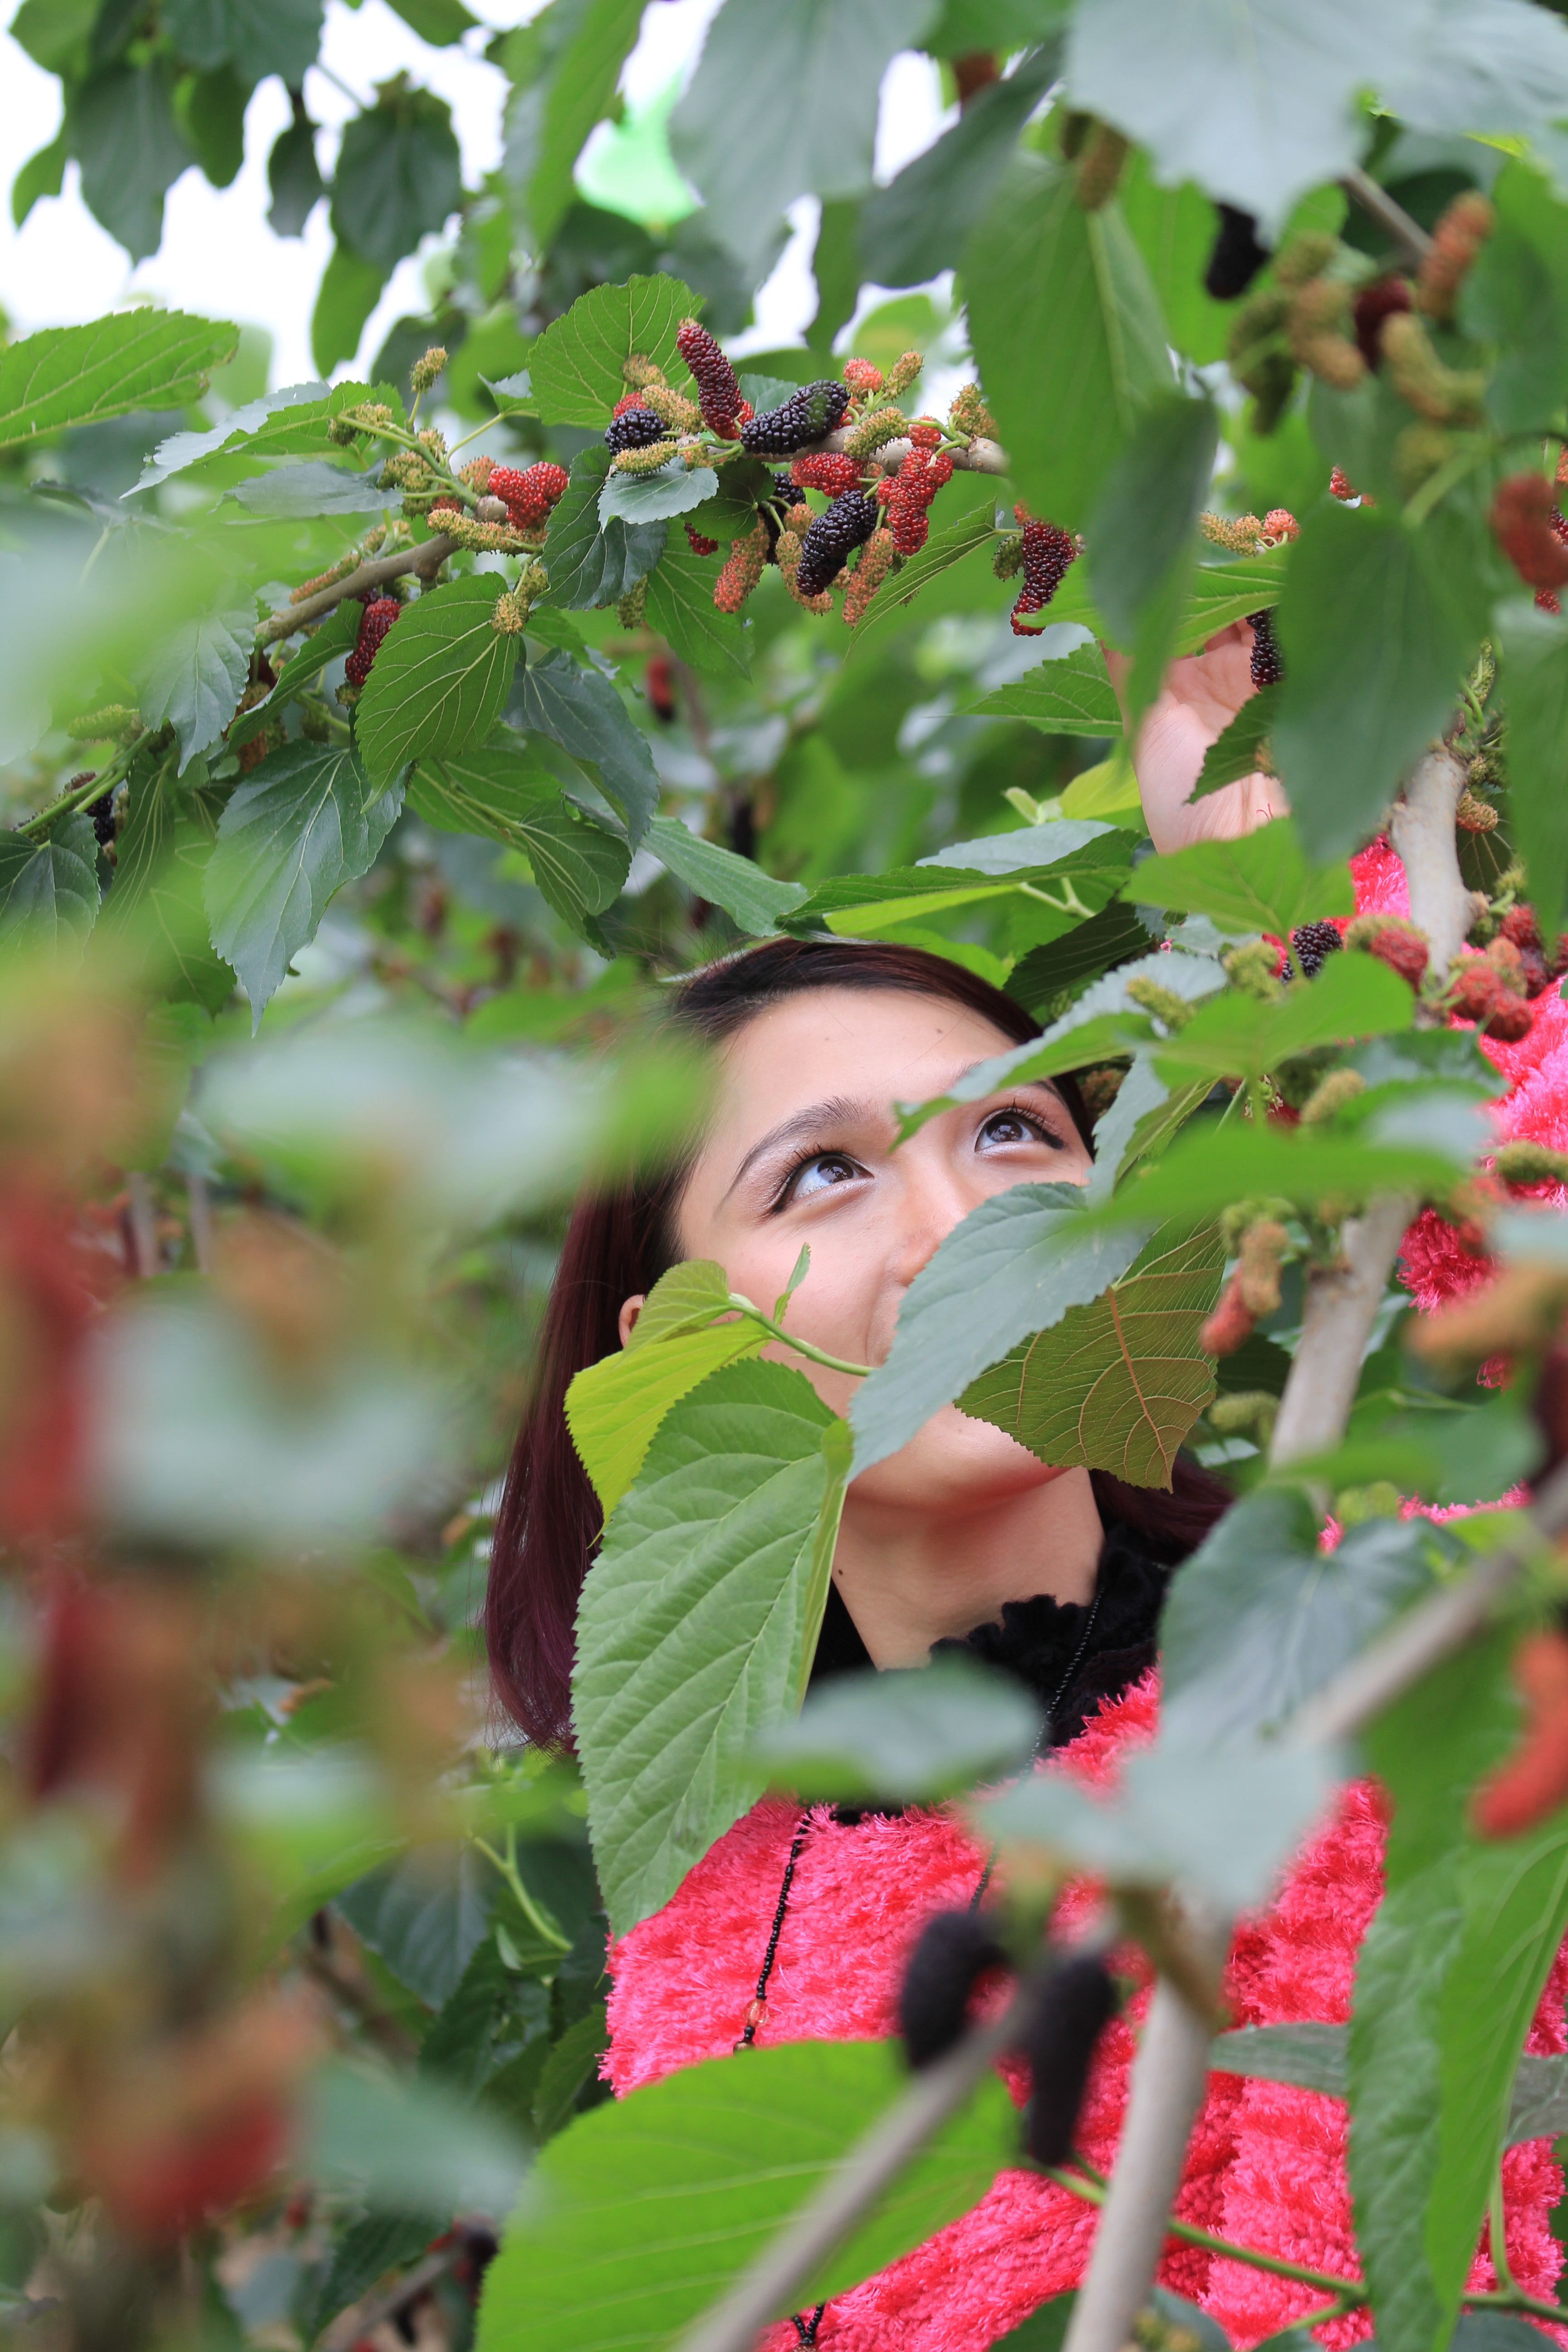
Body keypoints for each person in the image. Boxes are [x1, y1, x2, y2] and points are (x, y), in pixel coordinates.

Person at [483, 627, 1568, 2346]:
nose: (962, 1227)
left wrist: (1318, 924)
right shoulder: (709, 1902)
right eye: (823, 1174)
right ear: (673, 1341)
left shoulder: (1388, 1655)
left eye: (1010, 1135)